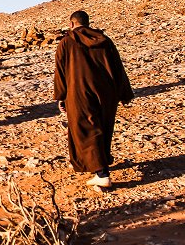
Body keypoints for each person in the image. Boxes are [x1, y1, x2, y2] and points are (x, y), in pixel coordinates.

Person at [54, 10, 133, 190]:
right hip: (106, 92)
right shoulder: (105, 41)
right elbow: (117, 67)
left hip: (79, 93)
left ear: (72, 24)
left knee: (87, 130)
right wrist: (124, 93)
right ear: (87, 23)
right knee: (103, 127)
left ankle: (102, 173)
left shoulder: (66, 42)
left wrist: (61, 96)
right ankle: (100, 165)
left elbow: (60, 72)